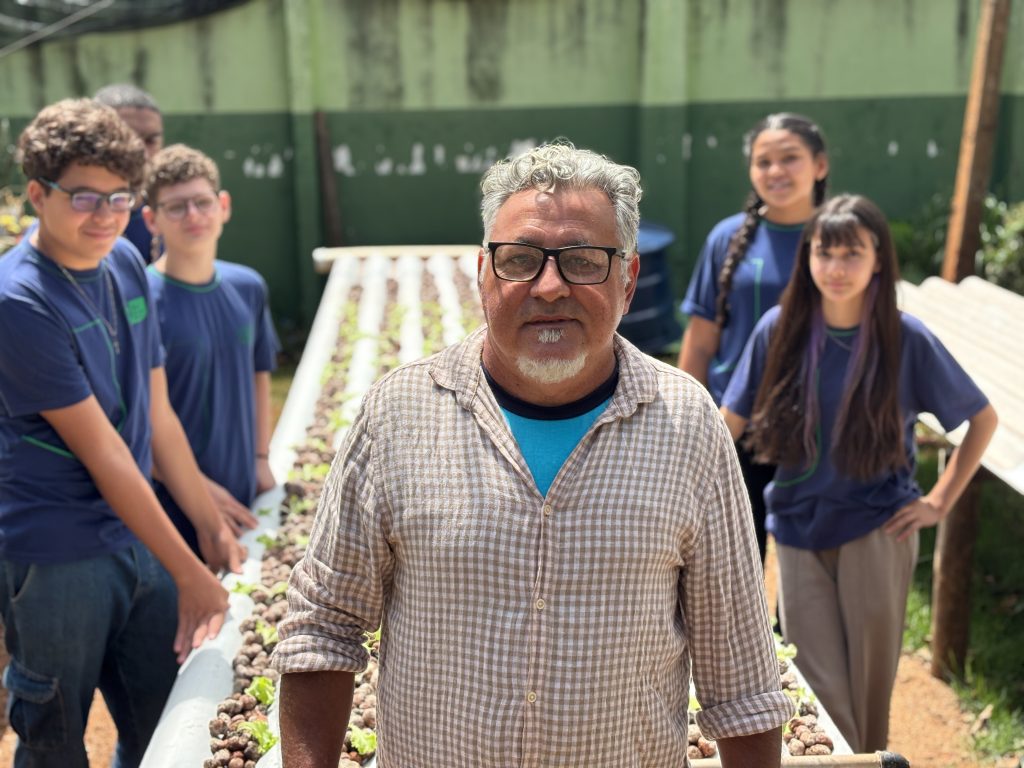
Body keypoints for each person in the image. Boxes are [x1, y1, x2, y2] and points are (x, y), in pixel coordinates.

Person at [272, 141, 792, 767]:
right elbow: (324, 628)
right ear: (483, 275)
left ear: (627, 280)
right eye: (520, 260)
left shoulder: (687, 425)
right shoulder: (399, 415)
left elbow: (740, 676)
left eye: (582, 260)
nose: (549, 287)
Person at [0, 99, 243, 768]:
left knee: (163, 724)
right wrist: (191, 572)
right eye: (84, 197)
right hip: (57, 556)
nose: (105, 215)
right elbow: (106, 454)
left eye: (118, 197)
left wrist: (207, 521)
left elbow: (155, 415)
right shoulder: (19, 301)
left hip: (140, 539)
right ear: (36, 194)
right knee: (54, 740)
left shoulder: (126, 265)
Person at [720, 194, 998, 753]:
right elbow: (727, 424)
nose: (837, 268)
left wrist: (939, 502)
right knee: (819, 695)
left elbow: (981, 419)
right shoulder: (779, 329)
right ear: (808, 259)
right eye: (825, 253)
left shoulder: (905, 336)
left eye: (852, 253)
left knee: (869, 702)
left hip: (878, 530)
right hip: (797, 532)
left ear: (878, 259)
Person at [677, 113, 829, 564]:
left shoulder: (840, 238)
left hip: (820, 426)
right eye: (763, 161)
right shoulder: (727, 239)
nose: (775, 171)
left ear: (819, 166)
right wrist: (689, 423)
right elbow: (701, 340)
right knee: (734, 559)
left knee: (808, 565)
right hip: (738, 425)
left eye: (790, 158)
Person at [143, 144, 279, 555]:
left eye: (203, 202)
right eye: (177, 207)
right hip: (170, 506)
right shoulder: (138, 300)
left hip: (243, 493)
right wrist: (197, 491)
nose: (194, 216)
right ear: (152, 219)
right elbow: (129, 422)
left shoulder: (248, 286)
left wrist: (260, 459)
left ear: (223, 206)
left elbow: (260, 375)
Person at [94, 83, 165, 262]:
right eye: (127, 138)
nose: (141, 153)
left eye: (151, 141)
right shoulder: (76, 217)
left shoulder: (172, 211)